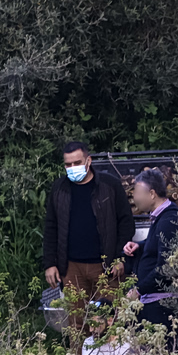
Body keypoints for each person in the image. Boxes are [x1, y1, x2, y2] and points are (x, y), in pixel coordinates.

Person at [42, 141, 135, 336]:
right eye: (68, 164)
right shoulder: (59, 188)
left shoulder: (109, 185)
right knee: (77, 326)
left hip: (106, 267)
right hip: (71, 268)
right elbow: (51, 226)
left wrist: (120, 258)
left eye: (77, 163)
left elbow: (126, 223)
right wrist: (50, 263)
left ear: (88, 161)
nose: (72, 168)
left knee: (108, 323)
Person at [123, 169, 178, 333]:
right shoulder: (161, 218)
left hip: (161, 307)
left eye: (137, 192)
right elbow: (160, 243)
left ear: (151, 194)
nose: (134, 198)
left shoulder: (169, 220)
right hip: (155, 303)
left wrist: (138, 290)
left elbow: (166, 266)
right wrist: (141, 245)